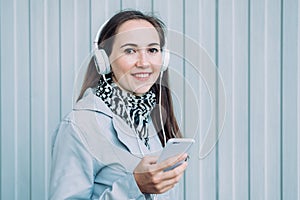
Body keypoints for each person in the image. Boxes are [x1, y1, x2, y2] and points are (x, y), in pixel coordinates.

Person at [49, 10, 189, 200]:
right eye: (130, 50)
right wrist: (135, 185)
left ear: (163, 59)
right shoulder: (79, 125)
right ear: (104, 61)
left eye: (152, 50)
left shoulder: (151, 120)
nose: (144, 62)